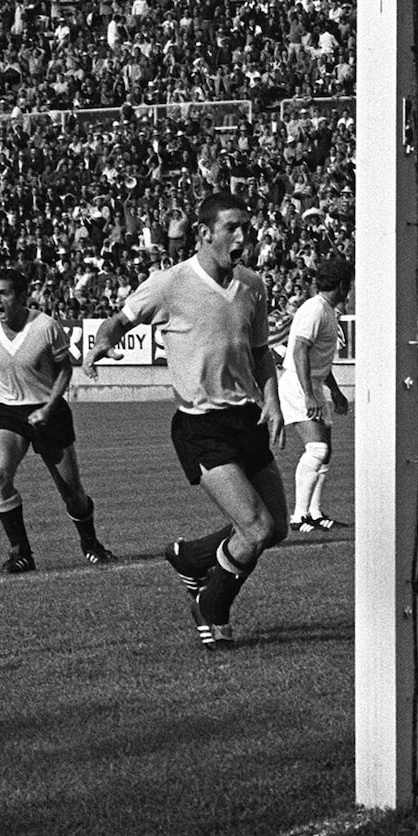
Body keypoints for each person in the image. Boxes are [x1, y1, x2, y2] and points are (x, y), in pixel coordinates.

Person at [85, 191, 288, 650]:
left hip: (247, 418)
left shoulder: (252, 285)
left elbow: (259, 354)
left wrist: (272, 402)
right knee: (253, 528)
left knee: (275, 529)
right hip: (201, 425)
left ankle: (191, 556)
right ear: (205, 233)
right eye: (232, 227)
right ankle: (210, 608)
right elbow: (120, 320)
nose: (242, 237)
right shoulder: (169, 284)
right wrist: (101, 343)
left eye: (246, 228)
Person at [0, 268, 114, 574]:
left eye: (4, 293)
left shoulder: (45, 326)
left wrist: (49, 408)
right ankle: (21, 553)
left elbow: (65, 370)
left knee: (72, 494)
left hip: (48, 412)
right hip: (8, 412)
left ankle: (91, 543)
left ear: (22, 296)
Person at [280, 256, 353, 533]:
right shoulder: (314, 310)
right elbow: (299, 350)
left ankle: (315, 512)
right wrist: (309, 394)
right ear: (343, 284)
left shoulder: (327, 311)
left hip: (314, 383)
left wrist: (334, 391)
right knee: (317, 449)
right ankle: (299, 516)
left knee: (326, 451)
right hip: (300, 385)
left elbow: (318, 357)